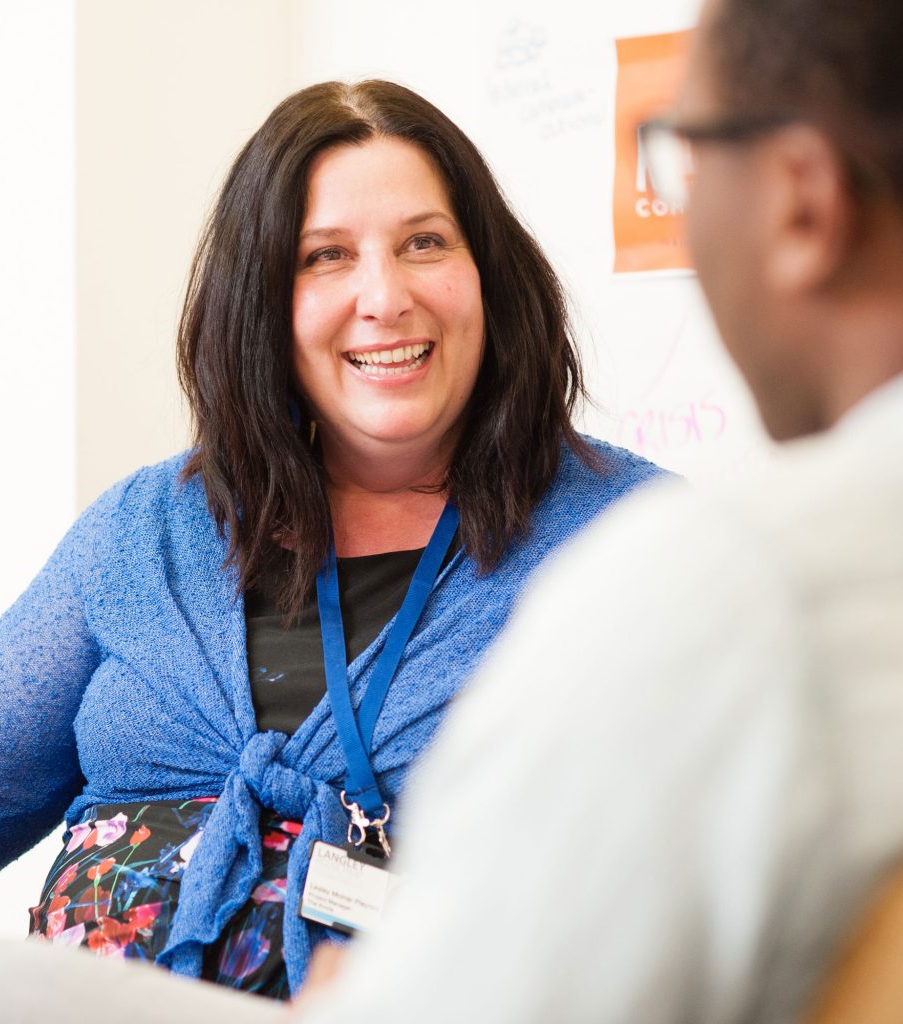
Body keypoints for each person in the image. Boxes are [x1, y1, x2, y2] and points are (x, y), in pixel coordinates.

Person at [0, 79, 664, 1002]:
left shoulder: (635, 543)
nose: (385, 296)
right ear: (261, 303)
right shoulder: (150, 529)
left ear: (488, 272)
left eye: (425, 242)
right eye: (324, 257)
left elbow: (719, 883)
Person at [288, 0, 903, 1020]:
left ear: (800, 202)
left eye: (684, 159)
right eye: (323, 256)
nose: (382, 297)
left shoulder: (718, 591)